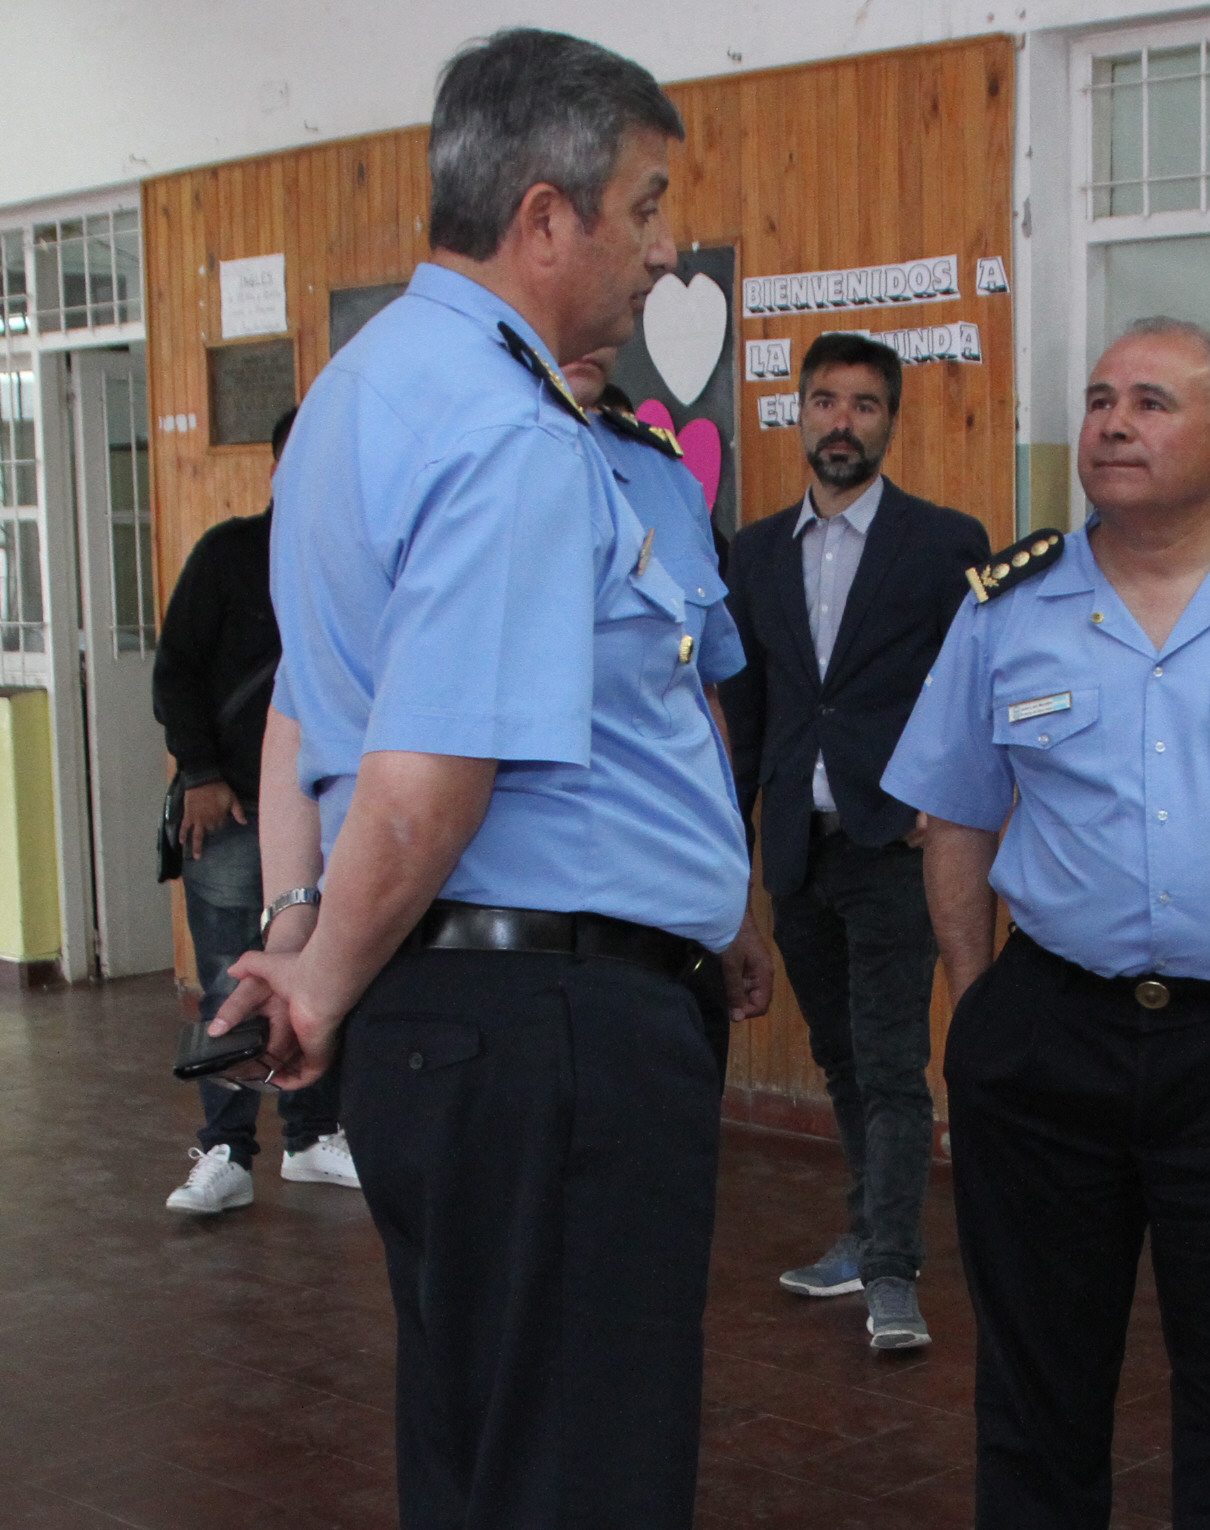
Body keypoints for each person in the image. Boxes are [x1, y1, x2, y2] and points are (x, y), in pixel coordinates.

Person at [213, 29, 772, 1530]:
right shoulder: (510, 433)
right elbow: (426, 777)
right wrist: (319, 982)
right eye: (644, 207)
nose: (665, 251)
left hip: (457, 1024)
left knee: (478, 1449)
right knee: (582, 1469)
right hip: (554, 1035)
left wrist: (304, 942)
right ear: (543, 218)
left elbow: (313, 714)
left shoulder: (360, 395)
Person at [883, 316, 1210, 1529]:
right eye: (1102, 399)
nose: (1113, 424)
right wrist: (976, 1006)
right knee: (1037, 1375)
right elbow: (958, 814)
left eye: (1152, 403)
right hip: (1051, 1031)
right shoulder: (1008, 605)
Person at [720, 332, 989, 1350]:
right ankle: (866, 1230)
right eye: (826, 401)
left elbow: (975, 682)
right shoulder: (753, 552)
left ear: (891, 423)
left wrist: (947, 792)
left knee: (889, 1064)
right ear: (799, 414)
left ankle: (891, 1270)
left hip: (894, 847)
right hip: (799, 848)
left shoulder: (943, 541)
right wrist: (730, 847)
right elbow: (748, 712)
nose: (842, 422)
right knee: (839, 1058)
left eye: (865, 405)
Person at [156, 405, 358, 1214]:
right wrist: (200, 773)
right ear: (279, 470)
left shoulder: (353, 560)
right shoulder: (229, 554)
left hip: (328, 813)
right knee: (229, 981)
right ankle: (225, 1150)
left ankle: (311, 1136)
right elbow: (175, 672)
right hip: (232, 810)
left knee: (319, 972)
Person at [564, 345, 748, 1071]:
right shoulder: (447, 463)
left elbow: (700, 700)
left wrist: (732, 906)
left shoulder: (663, 476)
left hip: (675, 935)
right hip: (523, 944)